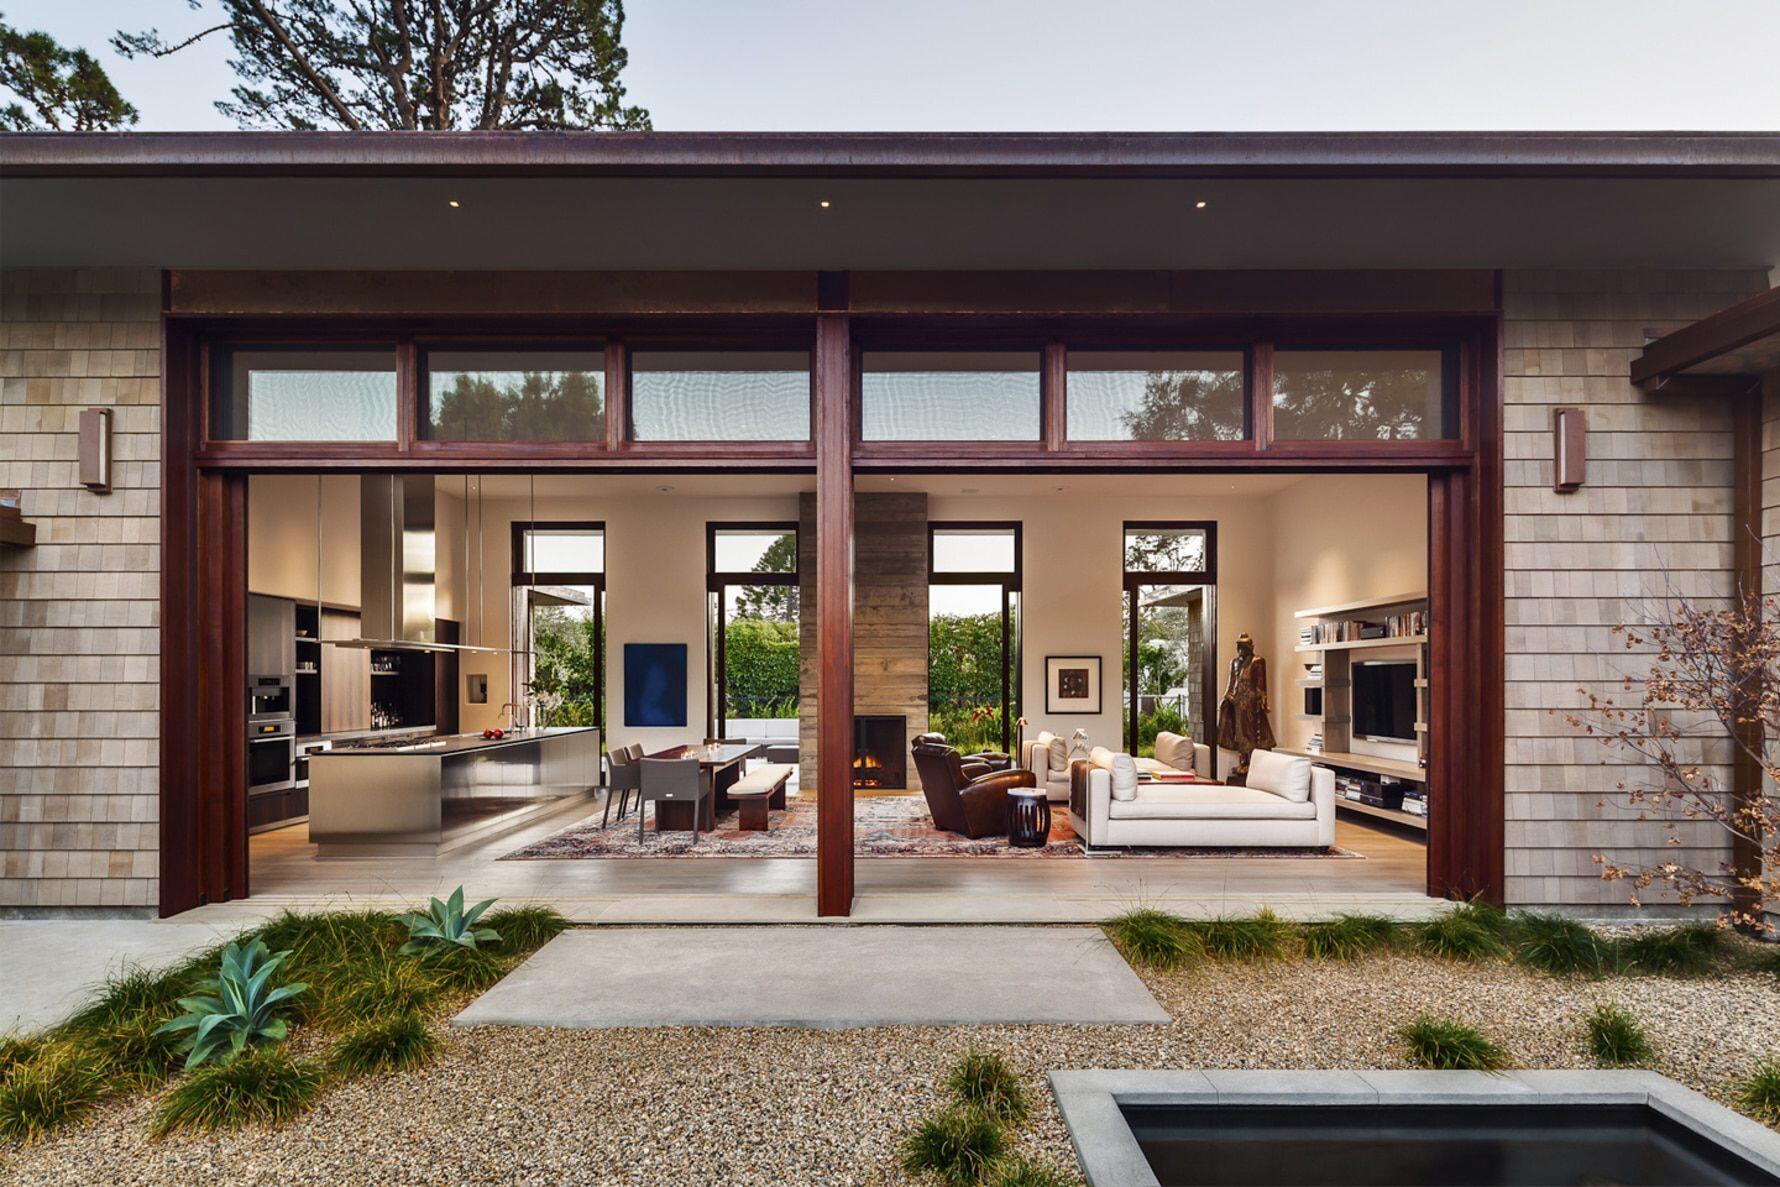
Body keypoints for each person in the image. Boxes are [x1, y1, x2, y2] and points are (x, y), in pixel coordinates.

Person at [1216, 632, 1276, 782]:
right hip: (1236, 701)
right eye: (1239, 647)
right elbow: (1231, 682)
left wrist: (1263, 700)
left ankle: (1252, 763)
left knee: (1250, 732)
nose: (1240, 650)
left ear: (1250, 647)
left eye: (1243, 647)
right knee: (1239, 733)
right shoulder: (1235, 662)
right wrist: (1226, 697)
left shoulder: (1258, 661)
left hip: (1250, 702)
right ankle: (1242, 761)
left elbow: (1262, 684)